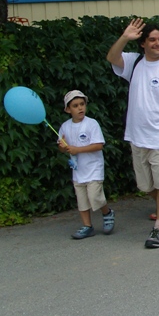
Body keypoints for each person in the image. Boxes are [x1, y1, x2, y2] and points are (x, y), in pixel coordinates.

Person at [107, 18, 159, 249]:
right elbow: (112, 57)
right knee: (145, 186)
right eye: (152, 40)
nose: (158, 43)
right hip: (137, 136)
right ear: (143, 43)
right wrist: (125, 37)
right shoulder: (134, 63)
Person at [58, 90, 114, 239]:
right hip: (78, 170)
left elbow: (98, 145)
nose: (80, 108)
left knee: (95, 196)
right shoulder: (65, 127)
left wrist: (77, 149)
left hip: (94, 168)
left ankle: (107, 213)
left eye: (82, 104)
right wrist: (63, 147)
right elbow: (61, 147)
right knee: (82, 199)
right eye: (75, 106)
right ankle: (87, 226)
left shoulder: (92, 124)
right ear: (68, 109)